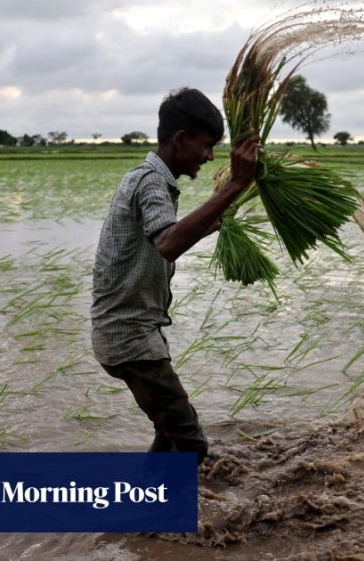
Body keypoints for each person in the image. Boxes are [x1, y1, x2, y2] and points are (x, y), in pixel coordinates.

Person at [90, 88, 259, 463]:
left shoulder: (154, 180)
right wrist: (234, 185)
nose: (210, 156)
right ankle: (177, 519)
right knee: (191, 445)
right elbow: (167, 243)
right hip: (129, 337)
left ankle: (146, 513)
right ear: (180, 139)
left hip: (132, 333)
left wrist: (207, 222)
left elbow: (163, 237)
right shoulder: (149, 181)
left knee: (168, 435)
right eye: (206, 145)